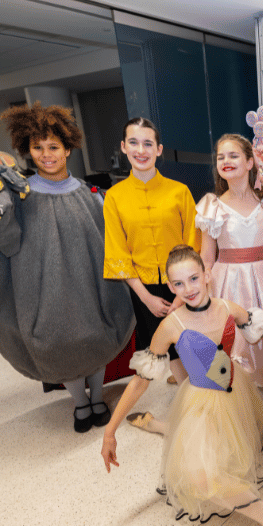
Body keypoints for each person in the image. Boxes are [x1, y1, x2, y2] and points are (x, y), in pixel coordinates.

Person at [102, 245, 263, 526]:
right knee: (201, 477)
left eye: (193, 278)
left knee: (220, 455)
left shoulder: (229, 308)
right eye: (178, 284)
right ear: (171, 287)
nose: (188, 289)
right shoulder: (171, 327)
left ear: (207, 275)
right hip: (200, 398)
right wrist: (109, 431)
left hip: (233, 389)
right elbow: (139, 381)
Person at [0, 103, 135, 432]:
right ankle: (80, 402)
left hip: (91, 285)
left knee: (96, 337)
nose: (46, 154)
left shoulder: (92, 196)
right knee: (62, 345)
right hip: (46, 291)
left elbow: (111, 239)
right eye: (38, 148)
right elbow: (5, 240)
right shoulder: (20, 197)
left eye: (53, 147)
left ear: (68, 148)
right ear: (27, 150)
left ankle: (98, 397)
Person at [103, 117, 199, 373]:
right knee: (168, 353)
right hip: (144, 289)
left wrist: (181, 294)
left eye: (148, 143)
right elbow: (117, 253)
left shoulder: (179, 191)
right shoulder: (113, 197)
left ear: (158, 149)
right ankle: (186, 399)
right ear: (124, 147)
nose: (141, 150)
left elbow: (194, 243)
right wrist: (146, 298)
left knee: (193, 346)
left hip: (185, 285)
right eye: (133, 142)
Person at [196, 134, 263, 390]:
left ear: (249, 163)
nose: (225, 160)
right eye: (220, 157)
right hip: (228, 285)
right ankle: (235, 398)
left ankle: (261, 400)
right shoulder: (212, 207)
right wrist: (205, 297)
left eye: (233, 155)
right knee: (234, 342)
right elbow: (207, 257)